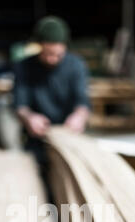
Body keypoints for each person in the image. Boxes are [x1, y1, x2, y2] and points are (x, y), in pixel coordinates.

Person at [13, 16, 91, 164]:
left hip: (68, 136)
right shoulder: (23, 67)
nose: (52, 59)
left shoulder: (76, 66)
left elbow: (82, 101)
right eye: (47, 54)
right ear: (39, 46)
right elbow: (20, 105)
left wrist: (79, 116)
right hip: (36, 140)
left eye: (58, 55)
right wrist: (29, 118)